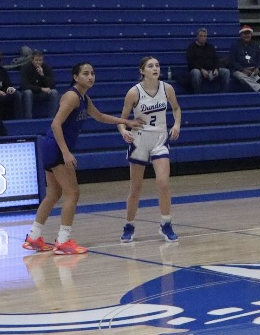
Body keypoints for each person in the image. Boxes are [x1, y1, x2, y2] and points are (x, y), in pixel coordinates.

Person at [21, 63, 143, 255]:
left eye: (93, 73)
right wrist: (66, 152)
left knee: (53, 194)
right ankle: (63, 241)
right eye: (86, 74)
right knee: (73, 193)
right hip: (56, 147)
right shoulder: (71, 96)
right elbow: (55, 124)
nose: (90, 77)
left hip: (50, 147)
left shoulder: (84, 98)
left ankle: (33, 237)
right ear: (76, 77)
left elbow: (100, 116)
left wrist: (126, 121)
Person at [117, 56, 183, 243]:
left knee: (163, 183)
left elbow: (176, 109)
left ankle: (166, 223)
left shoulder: (167, 88)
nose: (155, 68)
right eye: (150, 66)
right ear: (142, 71)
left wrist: (176, 124)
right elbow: (122, 120)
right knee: (136, 189)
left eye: (157, 65)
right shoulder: (133, 92)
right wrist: (124, 131)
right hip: (139, 141)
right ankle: (129, 225)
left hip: (160, 139)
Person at [228, 25, 260, 92]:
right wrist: (242, 70)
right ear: (241, 35)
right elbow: (232, 61)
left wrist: (258, 68)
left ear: (251, 34)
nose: (247, 35)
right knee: (240, 76)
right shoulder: (235, 45)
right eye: (245, 33)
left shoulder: (255, 45)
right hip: (240, 70)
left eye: (248, 33)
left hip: (254, 69)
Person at [186, 28, 230, 93]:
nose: (203, 38)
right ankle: (197, 94)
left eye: (205, 36)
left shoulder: (210, 47)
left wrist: (216, 69)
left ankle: (224, 93)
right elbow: (191, 62)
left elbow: (216, 59)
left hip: (211, 70)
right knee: (195, 73)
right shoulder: (192, 47)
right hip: (199, 70)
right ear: (197, 37)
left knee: (226, 72)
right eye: (201, 36)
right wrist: (202, 69)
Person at [20, 50, 59, 119]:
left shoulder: (46, 68)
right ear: (32, 60)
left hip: (41, 94)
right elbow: (25, 85)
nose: (38, 62)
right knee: (28, 92)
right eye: (36, 60)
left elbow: (52, 85)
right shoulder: (25, 68)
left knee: (54, 92)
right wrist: (41, 89)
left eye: (40, 60)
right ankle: (28, 119)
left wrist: (42, 75)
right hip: (31, 93)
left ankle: (52, 118)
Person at [0, 50, 24, 121]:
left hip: (3, 93)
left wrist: (9, 89)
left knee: (17, 94)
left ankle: (18, 120)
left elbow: (8, 84)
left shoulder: (2, 70)